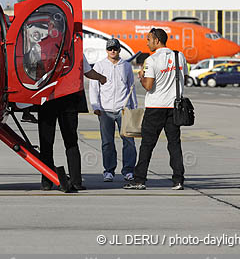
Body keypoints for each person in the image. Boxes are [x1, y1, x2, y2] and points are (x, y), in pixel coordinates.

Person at [124, 28, 189, 191]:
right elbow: (184, 79)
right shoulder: (179, 56)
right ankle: (178, 180)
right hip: (174, 106)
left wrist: (141, 77)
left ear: (157, 41)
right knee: (174, 144)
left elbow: (148, 85)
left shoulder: (151, 60)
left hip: (155, 107)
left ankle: (139, 180)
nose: (147, 43)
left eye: (148, 39)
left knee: (147, 145)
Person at [38, 53, 107, 191]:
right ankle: (76, 181)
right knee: (71, 142)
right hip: (68, 101)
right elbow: (88, 72)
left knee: (46, 143)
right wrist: (101, 77)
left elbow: (34, 72)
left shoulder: (42, 48)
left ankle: (47, 181)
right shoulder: (75, 50)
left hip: (47, 100)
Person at [89, 38, 137, 182]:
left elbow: (131, 87)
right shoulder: (99, 65)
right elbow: (94, 87)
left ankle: (128, 170)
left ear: (119, 50)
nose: (112, 51)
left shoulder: (126, 66)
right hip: (105, 109)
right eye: (110, 49)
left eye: (115, 49)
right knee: (107, 142)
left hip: (124, 109)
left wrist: (133, 107)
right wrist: (95, 106)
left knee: (129, 141)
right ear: (106, 50)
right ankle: (109, 170)